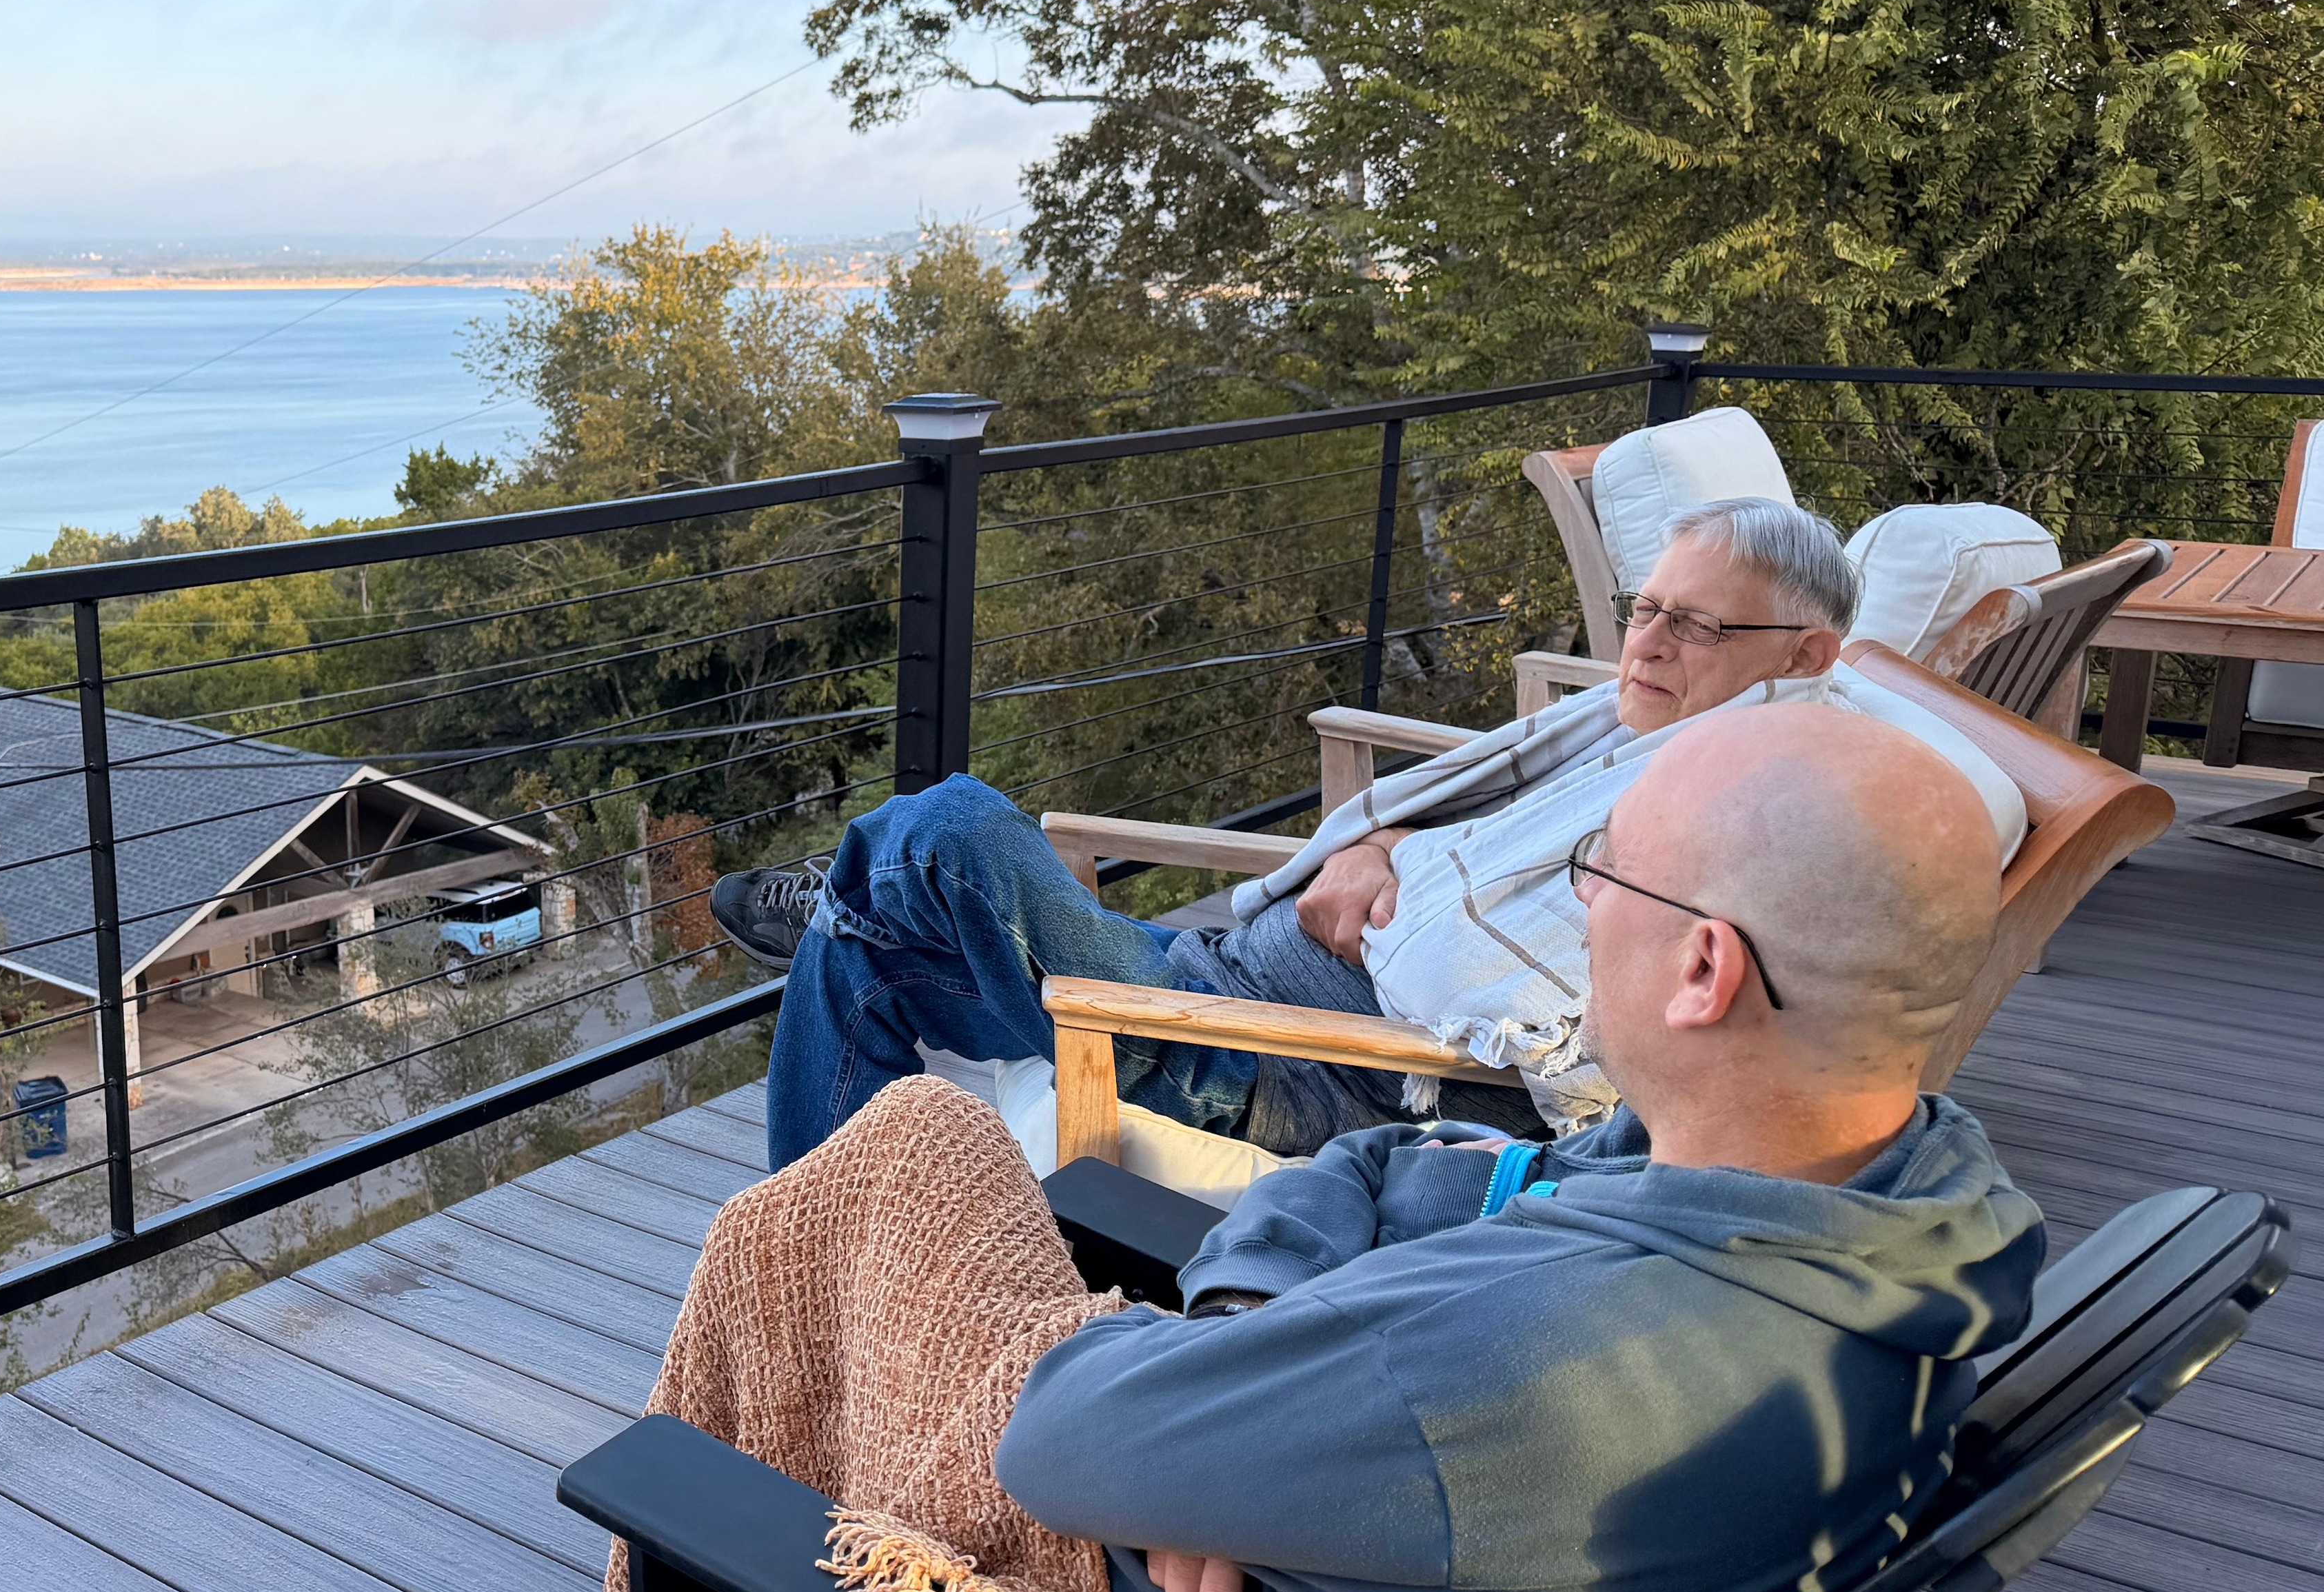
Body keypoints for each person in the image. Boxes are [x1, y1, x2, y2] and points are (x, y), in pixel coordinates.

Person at [993, 702, 2040, 1592]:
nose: (1585, 903)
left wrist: (1199, 1451)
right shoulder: (1894, 1216)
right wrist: (1239, 1340)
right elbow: (1387, 1158)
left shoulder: (1525, 1357)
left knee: (923, 1145)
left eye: (1608, 869)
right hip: (1378, 1547)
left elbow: (1049, 1437)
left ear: (1703, 970)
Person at [722, 494, 2024, 1169]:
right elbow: (1474, 857)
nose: (1647, 638)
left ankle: (841, 945)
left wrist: (1405, 882)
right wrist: (1384, 849)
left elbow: (1538, 1030)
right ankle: (820, 1241)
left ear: (1807, 656)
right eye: (1645, 605)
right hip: (1208, 981)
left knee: (946, 831)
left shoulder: (1739, 812)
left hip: (1276, 1067)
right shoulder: (1631, 733)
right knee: (871, 947)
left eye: (1696, 625)